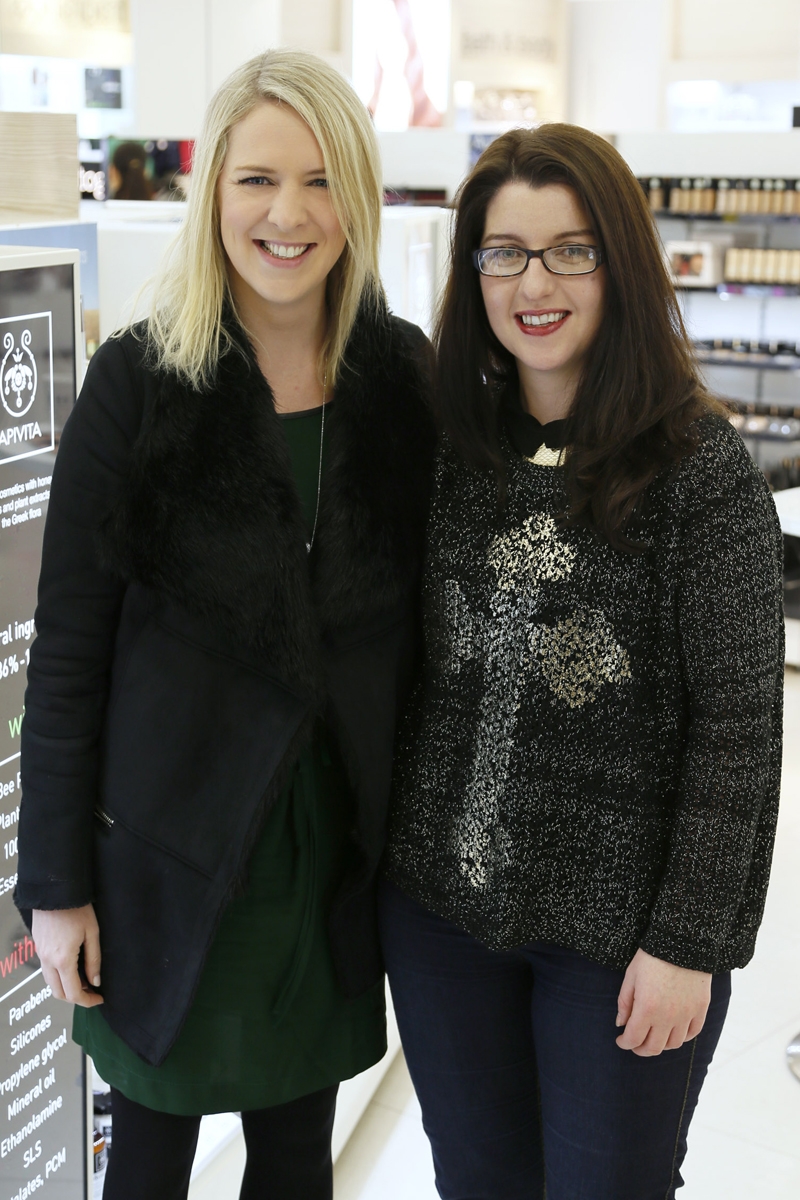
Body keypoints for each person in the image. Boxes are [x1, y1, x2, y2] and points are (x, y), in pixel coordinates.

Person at [16, 49, 434, 1200]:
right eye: (255, 179)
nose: (286, 214)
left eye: (317, 180)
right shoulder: (140, 385)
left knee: (294, 1152)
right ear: (214, 197)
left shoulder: (401, 384)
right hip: (169, 856)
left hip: (329, 860)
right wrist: (53, 887)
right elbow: (69, 655)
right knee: (148, 1150)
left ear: (356, 196)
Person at [380, 124, 784, 1200]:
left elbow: (738, 731)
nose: (534, 281)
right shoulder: (451, 448)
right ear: (473, 274)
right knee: (475, 1182)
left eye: (570, 249)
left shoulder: (699, 475)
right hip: (440, 915)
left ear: (620, 261)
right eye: (503, 252)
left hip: (618, 942)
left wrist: (688, 942)